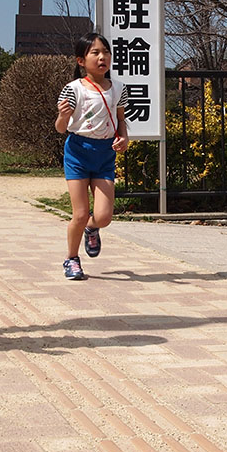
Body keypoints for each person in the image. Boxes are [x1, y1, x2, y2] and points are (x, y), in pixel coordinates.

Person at [54, 32, 129, 280]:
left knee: (104, 216)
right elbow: (61, 128)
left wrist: (123, 137)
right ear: (81, 61)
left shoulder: (118, 88)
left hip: (105, 154)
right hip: (77, 152)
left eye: (105, 52)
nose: (102, 57)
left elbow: (120, 119)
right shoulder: (73, 89)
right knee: (79, 213)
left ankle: (92, 228)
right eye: (95, 53)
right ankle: (71, 259)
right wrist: (63, 116)